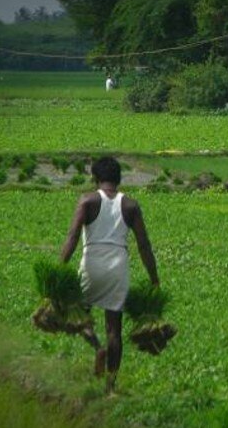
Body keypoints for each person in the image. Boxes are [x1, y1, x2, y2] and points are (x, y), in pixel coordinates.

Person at [59, 156, 159, 394]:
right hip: (118, 267)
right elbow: (144, 246)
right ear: (119, 179)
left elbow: (72, 237)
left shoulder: (87, 201)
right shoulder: (131, 205)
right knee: (114, 329)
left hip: (92, 262)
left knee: (79, 317)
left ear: (95, 178)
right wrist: (154, 277)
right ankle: (111, 387)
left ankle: (96, 347)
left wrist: (60, 267)